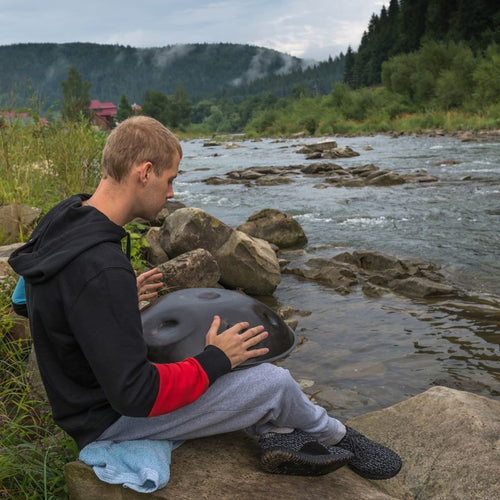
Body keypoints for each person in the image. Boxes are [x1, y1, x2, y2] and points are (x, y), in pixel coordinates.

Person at [8, 116, 401, 479]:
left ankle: (280, 433)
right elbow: (137, 395)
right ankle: (335, 434)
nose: (172, 192)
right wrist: (216, 360)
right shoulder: (103, 267)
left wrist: (112, 301)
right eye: (169, 180)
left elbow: (23, 300)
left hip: (77, 399)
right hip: (106, 419)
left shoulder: (65, 216)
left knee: (218, 357)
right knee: (271, 381)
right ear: (144, 173)